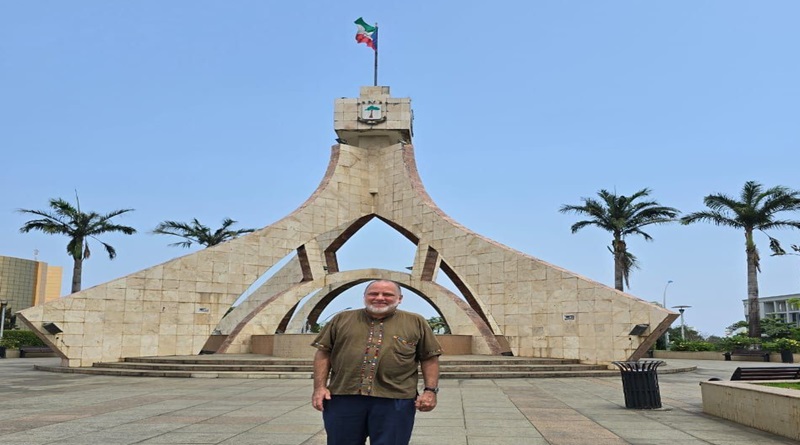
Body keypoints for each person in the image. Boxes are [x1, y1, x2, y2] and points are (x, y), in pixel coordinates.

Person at [311, 279, 442, 445]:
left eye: (387, 294)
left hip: (396, 399)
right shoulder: (341, 319)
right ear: (364, 296)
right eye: (373, 293)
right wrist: (319, 388)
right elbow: (324, 352)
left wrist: (430, 391)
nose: (379, 298)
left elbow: (429, 357)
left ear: (400, 298)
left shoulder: (416, 322)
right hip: (344, 396)